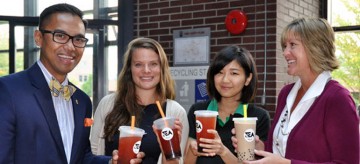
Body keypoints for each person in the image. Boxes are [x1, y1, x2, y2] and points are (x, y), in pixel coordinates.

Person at [0, 3, 133, 164]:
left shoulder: (82, 101)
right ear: (39, 38)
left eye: (78, 39)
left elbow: (81, 157)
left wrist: (112, 162)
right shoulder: (8, 90)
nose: (70, 47)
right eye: (60, 36)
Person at [232, 18, 360, 164]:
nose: (285, 53)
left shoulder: (337, 98)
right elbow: (280, 151)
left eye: (292, 45)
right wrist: (258, 148)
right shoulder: (286, 93)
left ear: (316, 47)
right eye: (285, 46)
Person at [90, 37, 189, 164]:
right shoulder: (108, 104)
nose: (146, 70)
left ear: (161, 68)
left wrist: (168, 152)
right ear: (129, 69)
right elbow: (92, 156)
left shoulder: (175, 112)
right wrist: (111, 162)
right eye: (138, 64)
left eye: (153, 64)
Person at [185, 45, 271, 163]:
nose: (225, 80)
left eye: (234, 73)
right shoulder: (199, 111)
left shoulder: (258, 117)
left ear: (248, 79)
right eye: (220, 72)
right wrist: (193, 150)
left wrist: (222, 151)